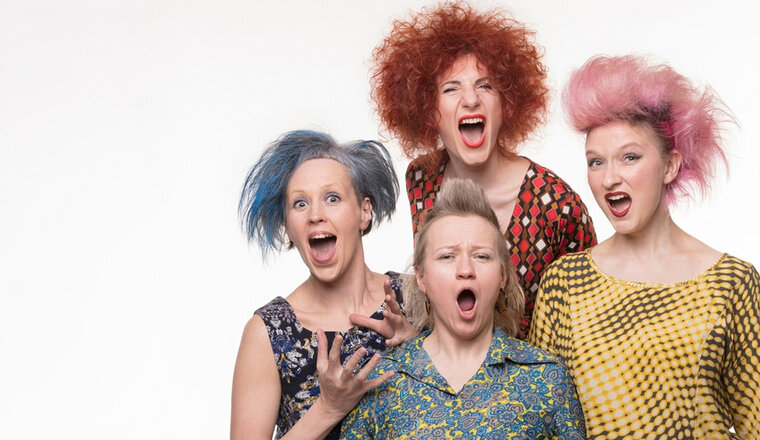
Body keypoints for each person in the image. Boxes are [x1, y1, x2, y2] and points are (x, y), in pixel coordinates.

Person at [529, 55, 760, 438]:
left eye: (630, 157)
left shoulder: (731, 283)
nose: (609, 179)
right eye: (596, 162)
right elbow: (540, 421)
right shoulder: (565, 284)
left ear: (670, 166)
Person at [371, 1, 596, 338]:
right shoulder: (421, 178)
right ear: (429, 111)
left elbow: (589, 324)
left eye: (485, 86)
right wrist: (416, 342)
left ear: (507, 104)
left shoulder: (559, 206)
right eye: (451, 88)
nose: (471, 99)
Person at [340, 179, 586, 439]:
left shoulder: (547, 377)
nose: (466, 270)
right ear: (421, 278)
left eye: (482, 256)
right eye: (447, 256)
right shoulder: (381, 379)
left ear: (502, 276)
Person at [230, 130, 412, 440]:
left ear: (364, 212)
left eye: (332, 198)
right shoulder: (268, 333)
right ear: (287, 227)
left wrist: (419, 346)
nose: (316, 215)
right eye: (300, 203)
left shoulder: (415, 298)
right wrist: (328, 409)